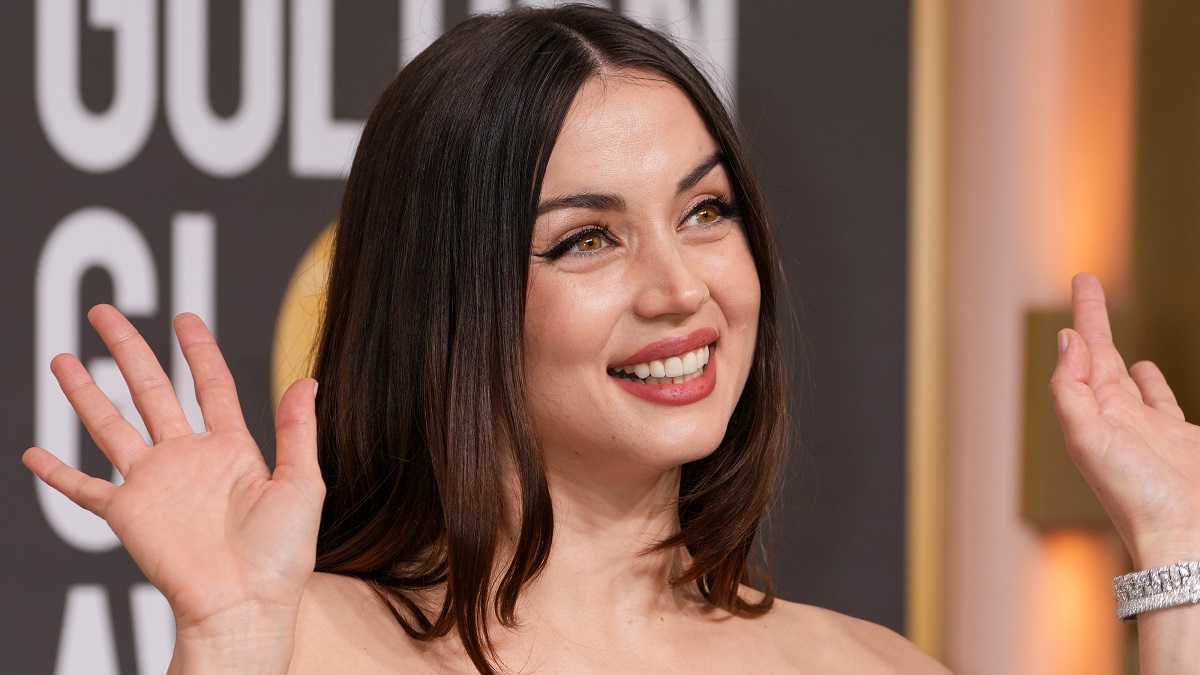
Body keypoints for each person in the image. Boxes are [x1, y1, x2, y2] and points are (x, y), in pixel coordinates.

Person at [19, 5, 1200, 673]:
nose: (680, 288)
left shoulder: (868, 667)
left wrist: (1175, 553)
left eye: (706, 212)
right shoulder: (298, 642)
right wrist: (226, 641)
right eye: (587, 240)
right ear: (451, 299)